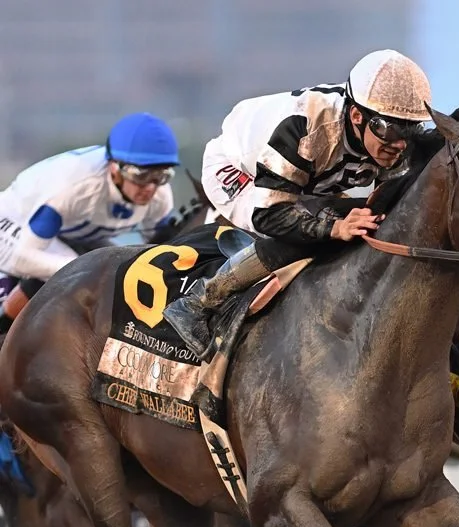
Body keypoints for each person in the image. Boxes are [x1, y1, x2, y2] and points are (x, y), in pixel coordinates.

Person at [162, 49, 432, 359]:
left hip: (309, 178)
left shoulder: (383, 134)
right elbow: (271, 216)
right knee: (304, 235)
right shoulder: (303, 129)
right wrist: (334, 227)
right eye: (390, 130)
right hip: (239, 172)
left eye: (411, 130)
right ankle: (198, 302)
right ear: (357, 116)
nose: (399, 144)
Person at [0, 112, 180, 334]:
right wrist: (86, 269)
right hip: (16, 222)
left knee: (119, 268)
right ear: (115, 168)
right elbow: (23, 259)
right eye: (141, 176)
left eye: (161, 176)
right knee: (80, 270)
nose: (151, 188)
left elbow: (161, 257)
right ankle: (3, 326)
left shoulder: (160, 196)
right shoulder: (77, 189)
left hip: (71, 231)